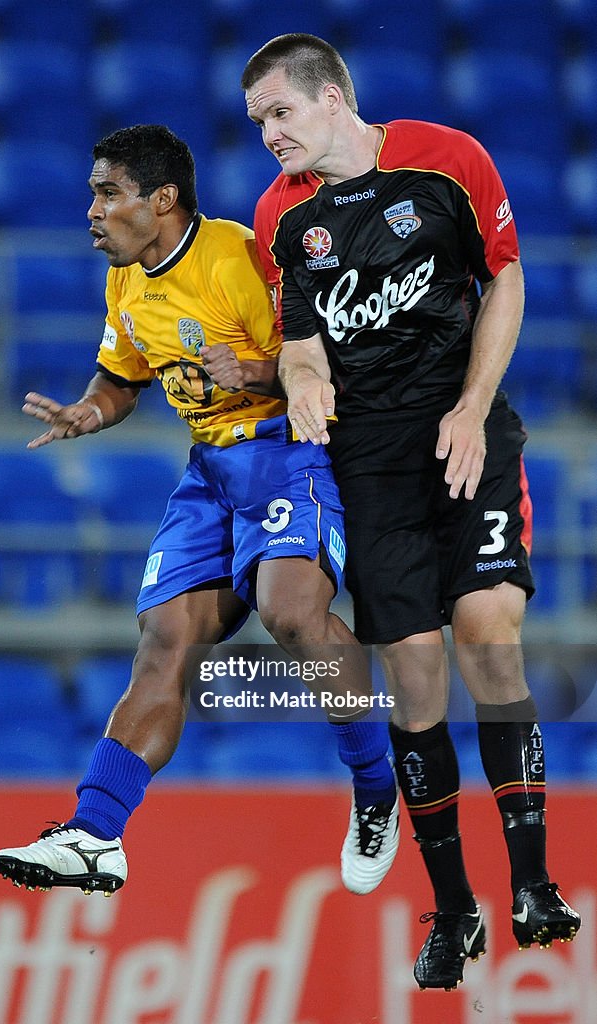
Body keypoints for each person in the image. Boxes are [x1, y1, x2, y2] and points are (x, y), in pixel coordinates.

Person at [240, 34, 580, 991]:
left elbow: (504, 275)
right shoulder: (281, 215)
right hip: (368, 458)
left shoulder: (448, 158)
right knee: (418, 677)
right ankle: (453, 910)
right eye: (257, 121)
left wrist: (472, 407)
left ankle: (533, 884)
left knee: (488, 634)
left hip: (462, 425)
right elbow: (301, 341)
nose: (268, 134)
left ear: (334, 96)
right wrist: (303, 385)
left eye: (280, 111)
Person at [0, 124, 400, 899]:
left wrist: (251, 368)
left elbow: (331, 361)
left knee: (290, 613)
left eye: (108, 193)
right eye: (92, 194)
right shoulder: (127, 279)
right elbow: (123, 377)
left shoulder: (240, 257)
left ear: (163, 198)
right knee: (162, 641)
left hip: (288, 450)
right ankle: (95, 834)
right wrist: (91, 411)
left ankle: (375, 786)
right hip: (210, 474)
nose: (93, 210)